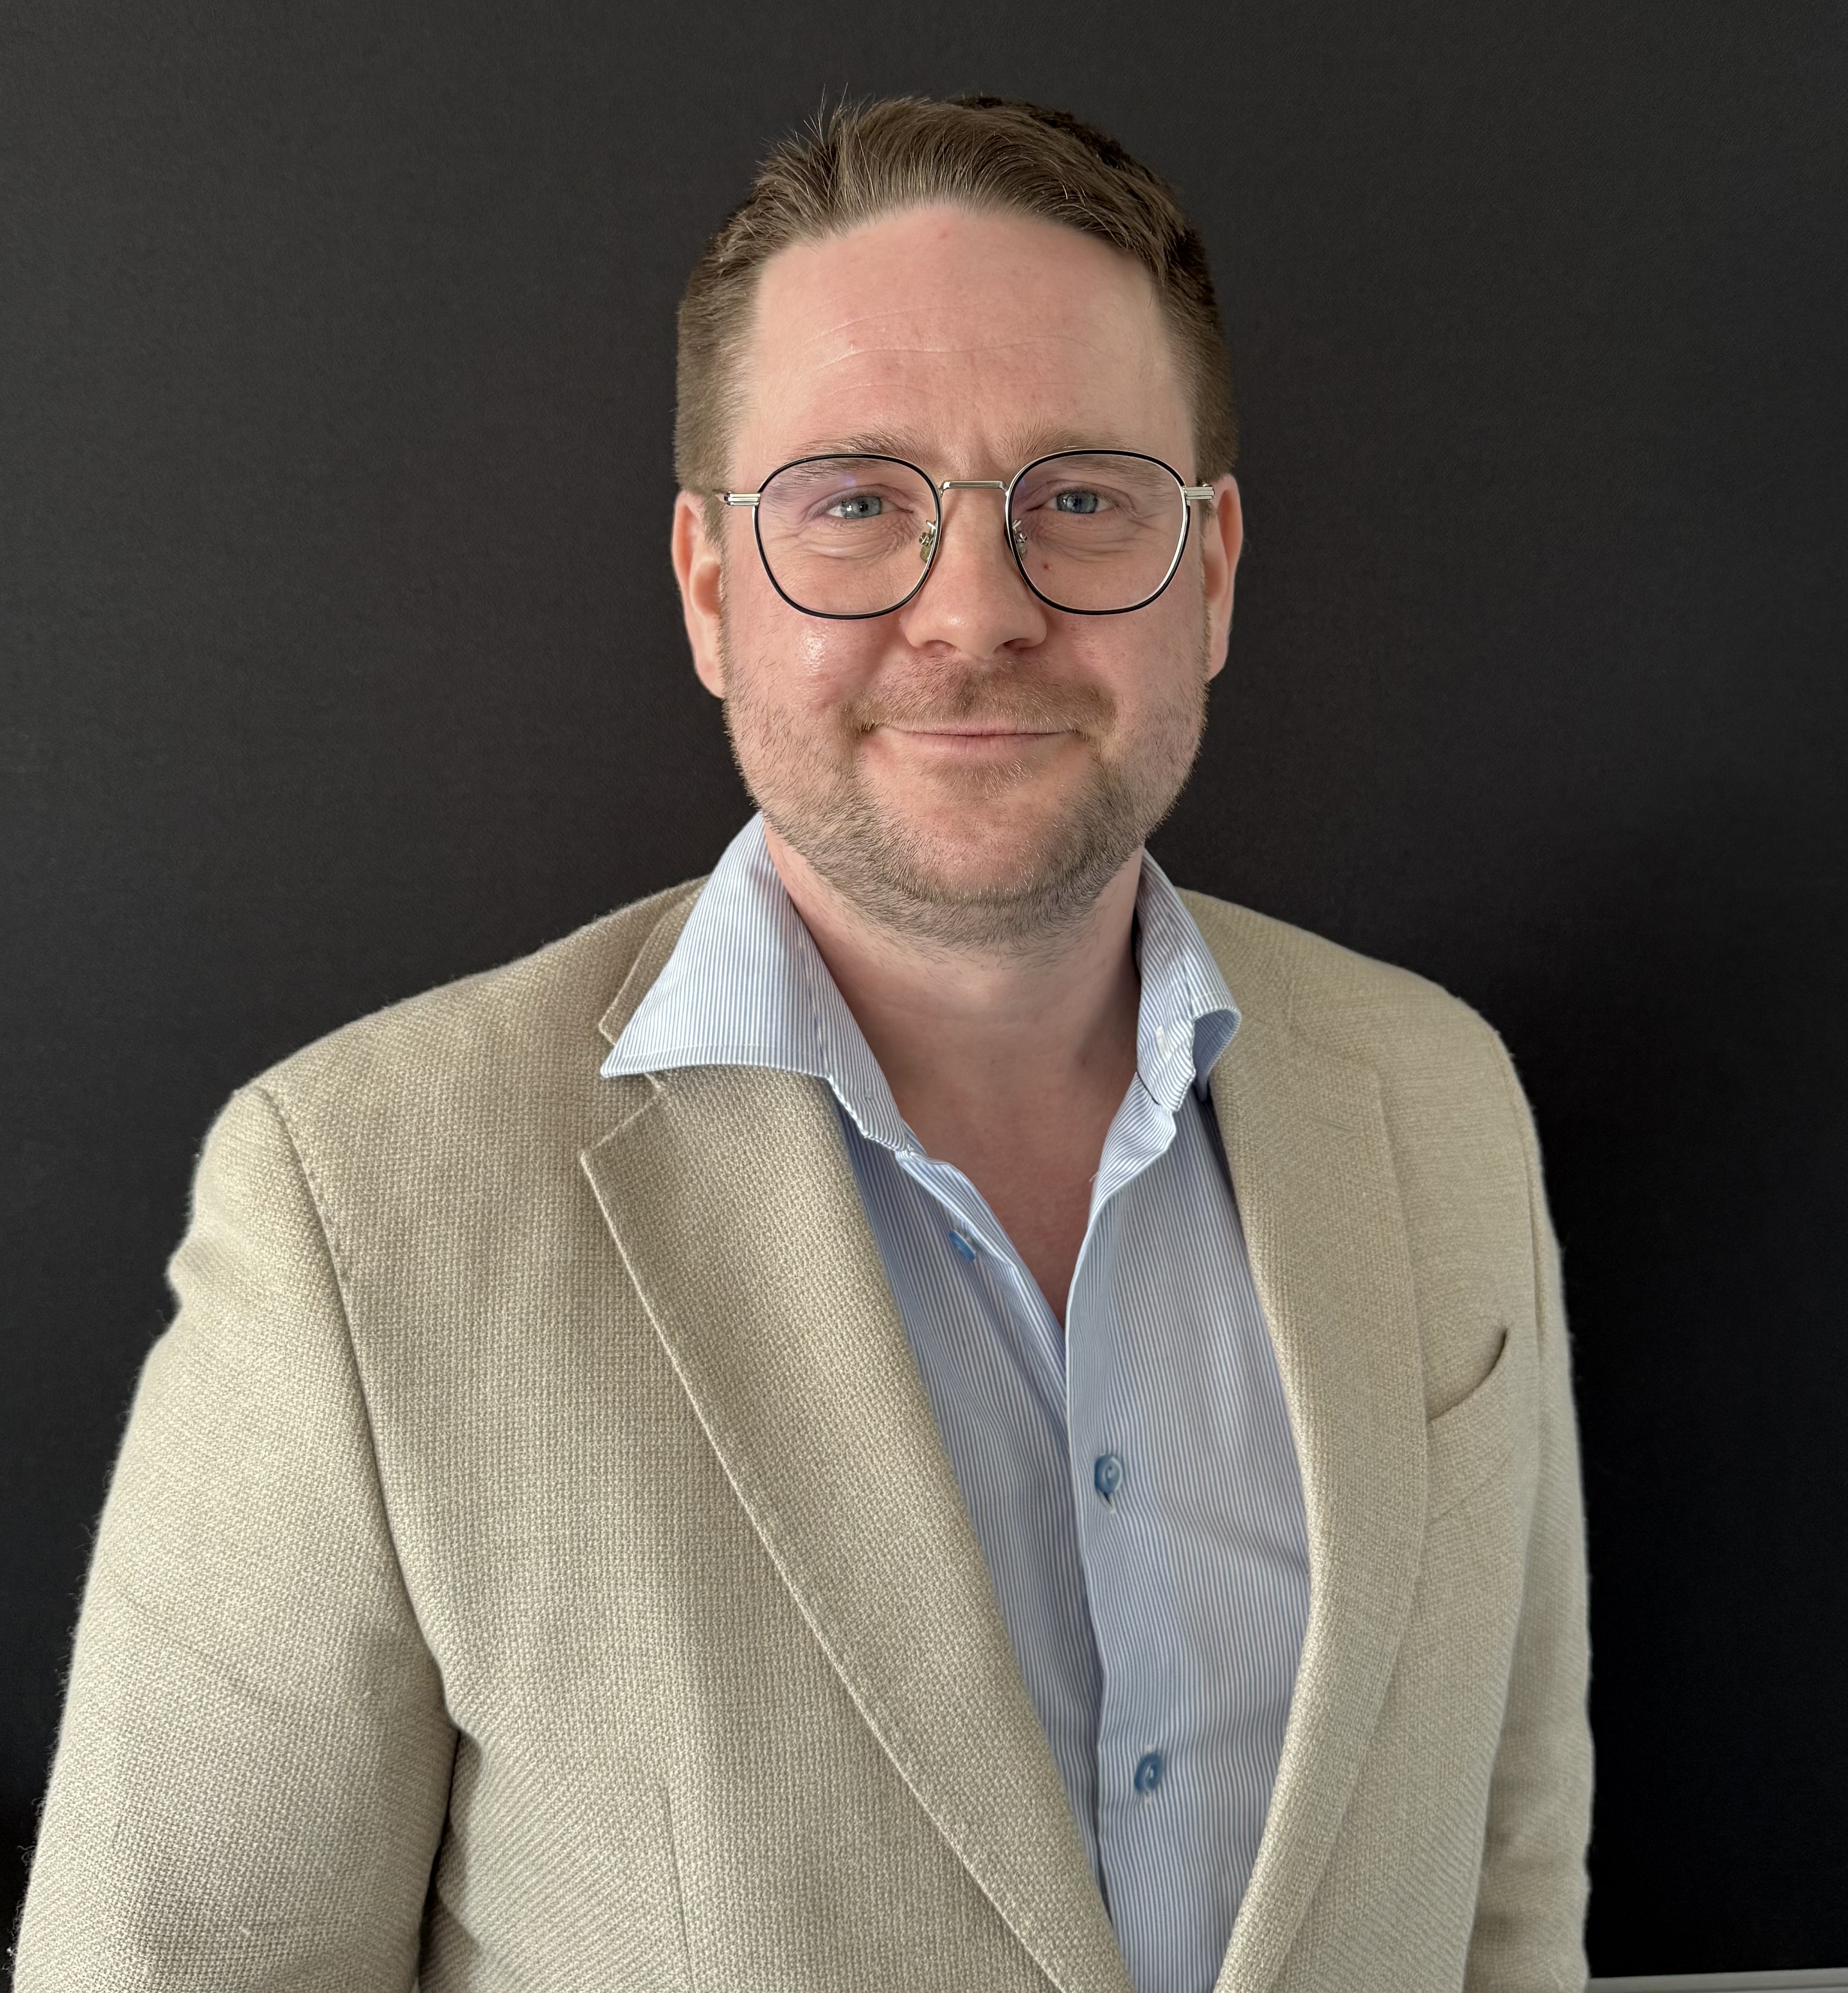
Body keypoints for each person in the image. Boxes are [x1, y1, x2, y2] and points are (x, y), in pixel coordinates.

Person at [16, 96, 1591, 1993]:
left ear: (1216, 573)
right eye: (855, 502)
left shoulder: (1439, 1100)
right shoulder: (355, 1210)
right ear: (710, 590)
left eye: (1083, 497)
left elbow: (1510, 1874)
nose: (977, 614)